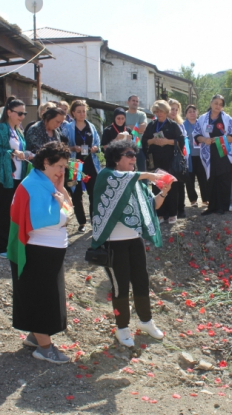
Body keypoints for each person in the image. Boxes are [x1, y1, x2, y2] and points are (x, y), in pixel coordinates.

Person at [91, 139, 170, 347]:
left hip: (134, 240)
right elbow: (121, 179)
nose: (134, 159)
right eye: (129, 155)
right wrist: (151, 175)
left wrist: (164, 191)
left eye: (135, 155)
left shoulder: (135, 181)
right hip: (113, 242)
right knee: (120, 286)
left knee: (141, 281)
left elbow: (152, 205)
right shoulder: (107, 176)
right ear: (116, 159)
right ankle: (122, 328)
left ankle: (146, 321)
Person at [7, 142, 74, 364]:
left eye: (65, 166)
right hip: (38, 251)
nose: (62, 171)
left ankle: (36, 337)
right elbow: (54, 218)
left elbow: (68, 211)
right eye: (60, 166)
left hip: (50, 250)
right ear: (46, 163)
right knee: (42, 298)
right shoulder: (33, 185)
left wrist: (63, 192)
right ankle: (45, 347)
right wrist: (63, 206)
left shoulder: (46, 183)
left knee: (48, 296)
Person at [0, 98, 30, 258]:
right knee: (3, 211)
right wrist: (12, 153)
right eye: (19, 113)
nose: (22, 116)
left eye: (24, 113)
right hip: (3, 177)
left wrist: (27, 154)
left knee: (13, 211)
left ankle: (9, 244)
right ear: (9, 112)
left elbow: (20, 150)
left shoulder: (18, 130)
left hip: (17, 176)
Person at [193, 94, 232, 215]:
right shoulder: (202, 118)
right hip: (209, 154)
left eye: (220, 104)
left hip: (224, 153)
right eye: (216, 103)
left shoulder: (227, 119)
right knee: (211, 180)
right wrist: (204, 139)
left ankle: (222, 207)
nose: (218, 106)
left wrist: (222, 139)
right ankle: (211, 207)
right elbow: (196, 134)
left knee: (224, 180)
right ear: (211, 103)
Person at [61, 100, 101, 233]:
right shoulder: (67, 128)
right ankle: (82, 222)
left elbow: (97, 144)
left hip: (90, 163)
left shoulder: (91, 127)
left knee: (93, 193)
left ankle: (95, 220)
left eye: (84, 111)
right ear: (73, 113)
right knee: (76, 193)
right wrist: (73, 148)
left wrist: (95, 148)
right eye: (79, 111)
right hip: (75, 164)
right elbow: (62, 146)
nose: (82, 114)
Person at [142, 100, 185, 224]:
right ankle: (160, 214)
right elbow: (144, 141)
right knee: (157, 186)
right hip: (156, 160)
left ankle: (172, 213)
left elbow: (181, 141)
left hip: (170, 161)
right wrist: (153, 141)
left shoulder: (173, 125)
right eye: (156, 111)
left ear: (166, 111)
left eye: (161, 111)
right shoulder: (151, 125)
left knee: (171, 186)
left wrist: (167, 141)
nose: (158, 114)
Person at [183, 105, 208, 207]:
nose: (192, 113)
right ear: (186, 114)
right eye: (190, 112)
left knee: (203, 177)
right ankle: (193, 200)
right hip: (188, 156)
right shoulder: (183, 125)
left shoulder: (201, 123)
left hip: (201, 155)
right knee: (190, 178)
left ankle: (205, 199)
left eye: (194, 111)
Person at [168, 99, 188, 218]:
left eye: (176, 109)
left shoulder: (181, 124)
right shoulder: (162, 123)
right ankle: (169, 209)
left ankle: (181, 208)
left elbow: (183, 142)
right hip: (165, 157)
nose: (174, 111)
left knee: (180, 183)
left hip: (178, 157)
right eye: (172, 108)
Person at [124, 95, 148, 171]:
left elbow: (143, 128)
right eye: (133, 101)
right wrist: (137, 127)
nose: (135, 103)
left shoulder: (142, 114)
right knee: (128, 170)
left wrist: (128, 127)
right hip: (126, 147)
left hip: (139, 146)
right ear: (128, 102)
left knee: (142, 170)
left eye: (137, 101)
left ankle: (143, 183)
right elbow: (122, 129)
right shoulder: (123, 115)